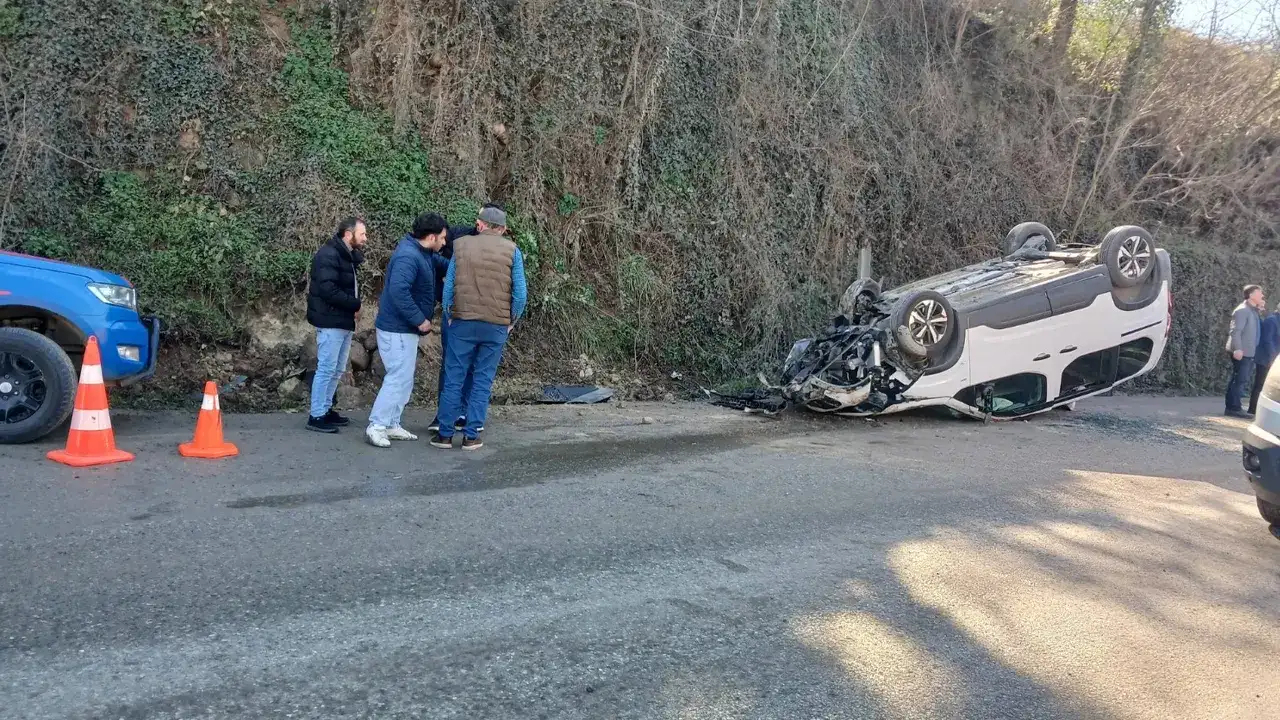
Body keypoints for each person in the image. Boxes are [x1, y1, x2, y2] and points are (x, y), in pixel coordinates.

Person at [430, 205, 527, 450]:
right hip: (495, 325)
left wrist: (450, 314)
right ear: (503, 229)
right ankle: (471, 436)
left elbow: (450, 285)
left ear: (480, 224)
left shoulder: (461, 246)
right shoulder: (512, 251)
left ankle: (444, 435)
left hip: (462, 322)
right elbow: (520, 295)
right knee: (482, 379)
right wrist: (511, 321)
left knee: (454, 377)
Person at [364, 213, 450, 447]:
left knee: (404, 378)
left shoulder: (423, 253)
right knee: (397, 378)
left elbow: (444, 264)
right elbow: (399, 291)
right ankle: (377, 425)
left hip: (404, 330)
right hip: (397, 329)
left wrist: (465, 264)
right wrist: (419, 320)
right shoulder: (408, 257)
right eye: (442, 238)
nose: (444, 243)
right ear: (431, 237)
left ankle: (392, 423)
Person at [429, 203, 504, 432]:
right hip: (461, 314)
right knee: (453, 366)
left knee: (471, 368)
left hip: (473, 314)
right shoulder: (458, 237)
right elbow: (434, 256)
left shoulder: (503, 250)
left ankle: (463, 417)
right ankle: (447, 417)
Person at [305, 217, 367, 433]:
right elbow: (328, 290)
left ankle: (325, 408)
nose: (365, 239)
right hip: (330, 319)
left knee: (337, 368)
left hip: (341, 320)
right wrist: (355, 304)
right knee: (327, 368)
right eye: (362, 234)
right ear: (348, 234)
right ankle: (316, 415)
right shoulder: (329, 255)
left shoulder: (345, 256)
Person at [1225, 284, 1265, 419]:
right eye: (1260, 293)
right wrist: (1237, 349)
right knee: (1239, 380)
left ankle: (1234, 406)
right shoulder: (1242, 310)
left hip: (1248, 352)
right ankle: (1233, 408)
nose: (1262, 296)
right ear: (1251, 295)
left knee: (1240, 379)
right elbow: (1235, 331)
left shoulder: (1252, 310)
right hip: (1242, 352)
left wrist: (1259, 310)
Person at [1250, 301, 1280, 415]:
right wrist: (1273, 357)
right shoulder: (1272, 320)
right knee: (1260, 384)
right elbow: (1267, 340)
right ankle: (1253, 409)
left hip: (1274, 359)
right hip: (1266, 358)